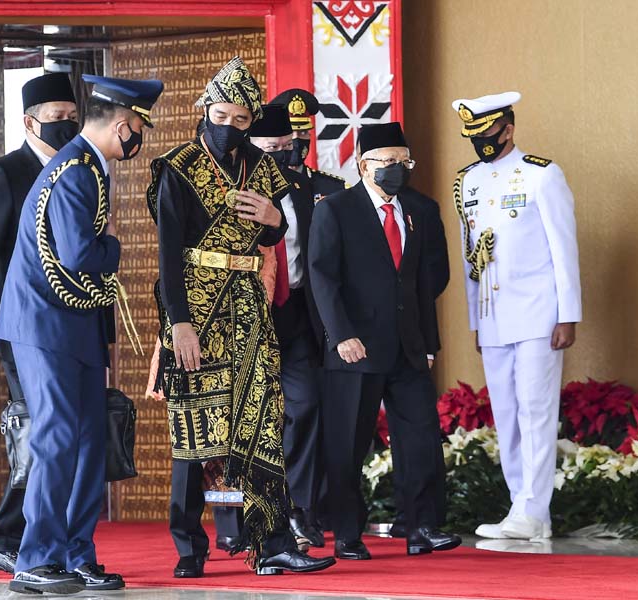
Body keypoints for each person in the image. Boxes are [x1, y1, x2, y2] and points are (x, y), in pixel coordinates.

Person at [148, 56, 335, 578]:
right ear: (205, 109)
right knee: (196, 426)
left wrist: (277, 220)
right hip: (196, 309)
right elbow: (167, 256)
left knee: (261, 422)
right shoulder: (178, 166)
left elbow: (272, 238)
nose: (230, 127)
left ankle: (271, 542)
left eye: (242, 120)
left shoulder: (264, 166)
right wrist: (178, 322)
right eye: (222, 115)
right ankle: (189, 544)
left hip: (249, 306)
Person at [0, 74, 162, 594]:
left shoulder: (91, 166)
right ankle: (35, 558)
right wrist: (115, 249)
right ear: (122, 123)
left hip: (75, 324)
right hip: (44, 326)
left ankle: (74, 553)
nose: (139, 137)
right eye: (138, 127)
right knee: (57, 439)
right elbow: (80, 256)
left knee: (90, 442)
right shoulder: (74, 173)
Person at [309, 121, 461, 560]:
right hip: (355, 346)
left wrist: (429, 342)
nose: (397, 169)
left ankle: (422, 527)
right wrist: (341, 335)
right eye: (388, 162)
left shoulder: (419, 209)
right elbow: (323, 278)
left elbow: (426, 282)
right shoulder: (336, 209)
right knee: (348, 443)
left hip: (409, 346)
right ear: (363, 164)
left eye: (403, 162)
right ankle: (347, 533)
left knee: (421, 438)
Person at [451, 92, 581, 540]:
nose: (480, 142)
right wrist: (475, 321)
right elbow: (472, 260)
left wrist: (568, 314)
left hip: (538, 312)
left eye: (487, 132)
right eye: (473, 136)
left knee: (535, 410)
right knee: (506, 413)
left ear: (508, 128)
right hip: (494, 317)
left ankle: (535, 509)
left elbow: (564, 250)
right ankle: (520, 506)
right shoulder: (466, 182)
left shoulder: (542, 175)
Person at [0, 73, 78, 575]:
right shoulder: (3, 174)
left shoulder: (76, 171)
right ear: (29, 122)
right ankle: (7, 537)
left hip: (67, 326)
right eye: (56, 120)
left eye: (72, 119)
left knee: (57, 432)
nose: (66, 126)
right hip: (15, 326)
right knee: (41, 429)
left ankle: (28, 535)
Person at [250, 104, 326, 549]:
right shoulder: (232, 187)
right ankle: (247, 517)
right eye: (270, 149)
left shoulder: (301, 188)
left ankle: (298, 507)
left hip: (295, 312)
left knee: (305, 404)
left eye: (286, 148)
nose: (281, 155)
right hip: (250, 316)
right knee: (250, 416)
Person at [269, 88, 346, 201]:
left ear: (310, 136)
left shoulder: (333, 188)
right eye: (290, 133)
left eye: (303, 132)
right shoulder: (261, 183)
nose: (296, 139)